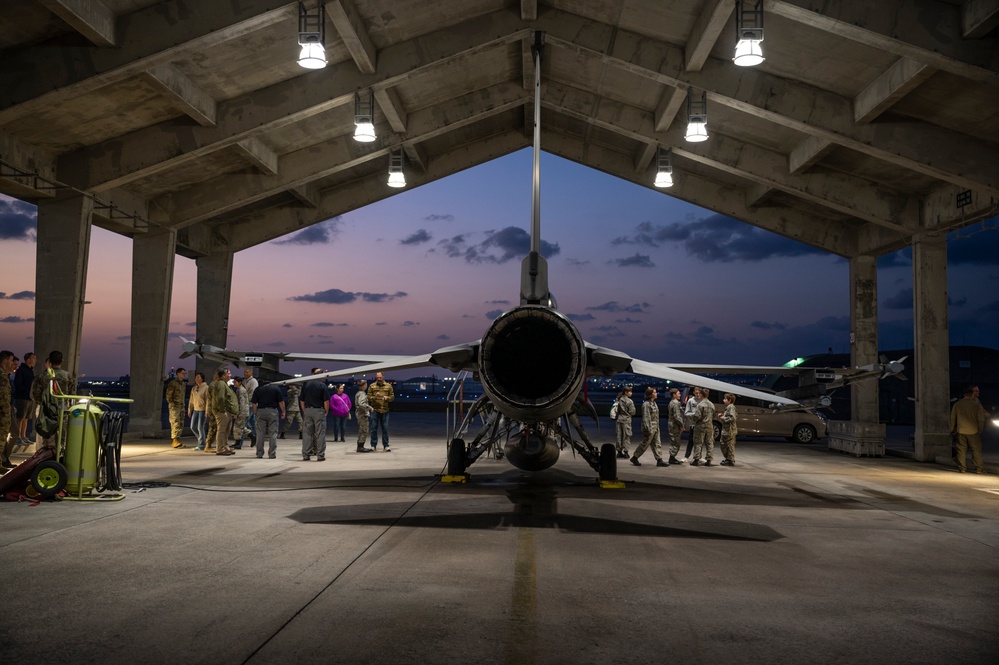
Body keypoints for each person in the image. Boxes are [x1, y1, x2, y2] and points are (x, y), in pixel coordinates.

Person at [30, 351, 75, 454]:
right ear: (62, 361)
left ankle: (47, 460)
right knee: (63, 437)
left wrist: (42, 403)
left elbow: (34, 393)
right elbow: (72, 393)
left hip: (47, 410)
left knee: (48, 439)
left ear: (49, 361)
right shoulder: (67, 376)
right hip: (63, 409)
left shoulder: (42, 376)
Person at [951, 386, 987, 474]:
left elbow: (953, 418)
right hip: (973, 431)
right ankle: (979, 468)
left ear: (964, 394)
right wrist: (980, 429)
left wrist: (951, 429)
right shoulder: (976, 405)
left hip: (961, 430)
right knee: (976, 450)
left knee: (961, 450)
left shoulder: (957, 404)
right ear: (971, 394)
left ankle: (962, 468)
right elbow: (981, 419)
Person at [631, 387, 667, 467]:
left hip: (655, 427)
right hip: (650, 428)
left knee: (657, 443)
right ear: (650, 394)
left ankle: (659, 460)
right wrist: (648, 429)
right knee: (645, 443)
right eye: (654, 392)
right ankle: (635, 457)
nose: (656, 393)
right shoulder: (646, 404)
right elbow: (646, 417)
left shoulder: (654, 403)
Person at [300, 368, 330, 461]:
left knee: (307, 433)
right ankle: (320, 455)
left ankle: (306, 455)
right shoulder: (322, 385)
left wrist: (304, 410)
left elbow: (301, 400)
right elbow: (326, 401)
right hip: (319, 410)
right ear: (320, 375)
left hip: (308, 410)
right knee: (320, 433)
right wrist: (326, 411)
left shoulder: (306, 385)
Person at [252, 380, 286, 459]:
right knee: (273, 433)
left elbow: (254, 403)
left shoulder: (258, 389)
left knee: (260, 433)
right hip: (272, 411)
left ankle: (259, 453)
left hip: (261, 410)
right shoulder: (276, 389)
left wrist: (255, 412)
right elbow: (281, 402)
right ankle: (272, 454)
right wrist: (283, 411)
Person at [208, 367, 236, 456]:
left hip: (226, 411)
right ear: (223, 376)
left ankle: (225, 447)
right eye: (228, 374)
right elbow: (220, 398)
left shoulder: (224, 384)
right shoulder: (220, 384)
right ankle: (220, 449)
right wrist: (222, 410)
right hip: (222, 412)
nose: (230, 375)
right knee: (221, 430)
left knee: (225, 431)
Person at [367, 372, 394, 451]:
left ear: (383, 377)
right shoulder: (372, 386)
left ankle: (386, 445)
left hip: (384, 410)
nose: (378, 379)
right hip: (374, 410)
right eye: (377, 377)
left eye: (380, 377)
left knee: (385, 429)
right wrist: (375, 397)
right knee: (373, 428)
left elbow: (392, 397)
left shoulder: (388, 386)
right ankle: (373, 445)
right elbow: (368, 397)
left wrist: (387, 398)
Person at [13, 351, 35, 446]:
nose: (35, 360)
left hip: (29, 398)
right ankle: (18, 437)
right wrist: (27, 391)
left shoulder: (30, 370)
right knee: (21, 417)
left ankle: (23, 436)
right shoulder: (21, 370)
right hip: (22, 397)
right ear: (28, 359)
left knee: (26, 418)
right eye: (33, 358)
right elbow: (18, 384)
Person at [690, 388, 716, 466]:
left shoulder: (700, 405)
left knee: (698, 442)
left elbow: (697, 416)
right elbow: (714, 415)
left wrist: (693, 418)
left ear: (701, 394)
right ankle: (709, 460)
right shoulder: (712, 404)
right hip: (709, 426)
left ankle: (696, 459)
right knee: (709, 443)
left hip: (700, 426)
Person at [165, 367, 188, 448]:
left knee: (181, 422)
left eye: (185, 373)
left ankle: (177, 439)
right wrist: (171, 404)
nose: (184, 375)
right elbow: (168, 395)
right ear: (178, 374)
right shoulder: (173, 383)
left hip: (181, 406)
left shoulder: (183, 384)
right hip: (175, 406)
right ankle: (174, 440)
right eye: (182, 373)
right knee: (175, 422)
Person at [0, 350, 14, 469]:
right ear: (5, 361)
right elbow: (2, 397)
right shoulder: (1, 376)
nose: (12, 363)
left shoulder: (4, 375)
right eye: (11, 360)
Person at [613, 385, 636, 459]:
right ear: (626, 392)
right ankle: (626, 452)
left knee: (619, 435)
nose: (631, 393)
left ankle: (619, 451)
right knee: (626, 436)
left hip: (619, 419)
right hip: (626, 420)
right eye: (630, 392)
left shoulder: (618, 399)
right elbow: (632, 412)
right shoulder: (629, 401)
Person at [188, 372, 209, 450]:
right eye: (196, 377)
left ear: (202, 378)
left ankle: (202, 444)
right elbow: (191, 400)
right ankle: (202, 440)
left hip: (202, 410)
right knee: (192, 427)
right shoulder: (194, 388)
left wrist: (207, 411)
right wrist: (190, 409)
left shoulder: (206, 387)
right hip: (195, 410)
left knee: (200, 427)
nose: (197, 379)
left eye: (198, 377)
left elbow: (208, 400)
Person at [719, 393, 738, 466]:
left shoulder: (731, 407)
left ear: (729, 400)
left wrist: (723, 418)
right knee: (724, 444)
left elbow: (732, 418)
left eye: (725, 399)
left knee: (729, 445)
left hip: (730, 430)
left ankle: (730, 460)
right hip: (726, 430)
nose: (724, 400)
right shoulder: (728, 407)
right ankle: (728, 458)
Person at [667, 387, 685, 464]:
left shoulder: (671, 402)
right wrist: (681, 425)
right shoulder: (676, 403)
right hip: (675, 425)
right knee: (676, 442)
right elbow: (677, 416)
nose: (680, 395)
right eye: (678, 393)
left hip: (672, 424)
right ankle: (672, 458)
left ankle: (672, 457)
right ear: (674, 395)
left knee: (673, 441)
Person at [231, 375, 249, 449]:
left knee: (238, 428)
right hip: (244, 411)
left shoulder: (241, 390)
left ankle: (238, 443)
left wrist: (237, 413)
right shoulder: (240, 389)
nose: (234, 383)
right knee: (240, 427)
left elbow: (241, 403)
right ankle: (238, 442)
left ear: (239, 382)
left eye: (235, 382)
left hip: (242, 411)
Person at [354, 379, 372, 453]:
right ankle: (360, 446)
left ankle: (360, 445)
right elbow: (361, 404)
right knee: (364, 430)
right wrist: (369, 408)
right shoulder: (362, 394)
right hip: (362, 414)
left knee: (362, 430)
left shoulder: (359, 393)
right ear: (364, 385)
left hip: (359, 414)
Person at [682, 388, 700, 462]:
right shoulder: (690, 401)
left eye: (699, 393)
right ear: (693, 393)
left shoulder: (702, 401)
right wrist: (694, 415)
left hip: (701, 425)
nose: (698, 395)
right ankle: (686, 456)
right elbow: (686, 412)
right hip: (693, 424)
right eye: (696, 393)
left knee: (699, 441)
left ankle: (699, 456)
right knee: (691, 441)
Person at [242, 368, 259, 441]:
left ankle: (240, 441)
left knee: (243, 423)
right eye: (245, 372)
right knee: (252, 423)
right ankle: (256, 438)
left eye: (247, 372)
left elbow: (252, 393)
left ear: (251, 373)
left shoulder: (253, 381)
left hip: (250, 405)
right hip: (247, 404)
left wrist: (248, 401)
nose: (245, 373)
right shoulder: (244, 381)